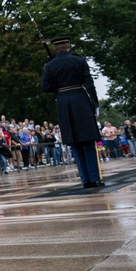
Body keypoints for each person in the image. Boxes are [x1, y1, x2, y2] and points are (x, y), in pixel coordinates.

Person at [41, 36, 103, 188]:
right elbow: (89, 83)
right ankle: (94, 178)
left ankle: (85, 180)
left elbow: (45, 87)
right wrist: (95, 103)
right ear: (69, 46)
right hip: (80, 99)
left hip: (63, 101)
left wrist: (59, 86)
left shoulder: (49, 65)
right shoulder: (79, 60)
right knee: (88, 141)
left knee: (75, 143)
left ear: (56, 48)